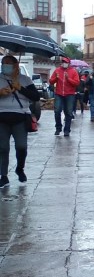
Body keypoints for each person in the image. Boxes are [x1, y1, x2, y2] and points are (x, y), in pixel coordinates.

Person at [0, 55, 41, 187]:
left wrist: (20, 88)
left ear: (16, 65)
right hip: (2, 118)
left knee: (21, 146)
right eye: (3, 63)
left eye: (8, 63)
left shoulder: (25, 79)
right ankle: (4, 175)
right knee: (3, 147)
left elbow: (35, 97)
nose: (5, 65)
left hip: (20, 117)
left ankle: (20, 168)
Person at [48, 54, 80, 136]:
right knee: (57, 111)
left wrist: (68, 78)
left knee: (68, 113)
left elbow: (76, 83)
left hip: (70, 94)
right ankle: (58, 128)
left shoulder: (73, 71)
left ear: (69, 63)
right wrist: (56, 78)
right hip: (59, 94)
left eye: (65, 62)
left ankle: (67, 130)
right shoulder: (57, 70)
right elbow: (51, 81)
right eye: (62, 62)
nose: (63, 63)